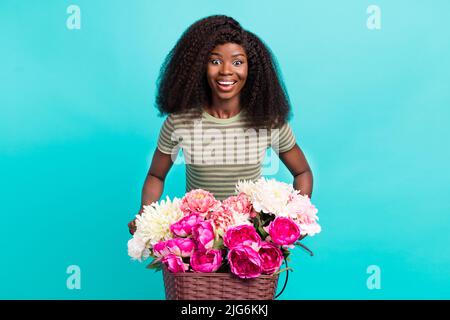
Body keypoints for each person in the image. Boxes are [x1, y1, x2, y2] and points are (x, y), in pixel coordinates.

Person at [128, 15, 313, 235]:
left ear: (251, 68)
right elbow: (156, 176)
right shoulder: (180, 122)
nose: (226, 70)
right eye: (215, 61)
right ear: (200, 66)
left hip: (249, 241)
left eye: (237, 62)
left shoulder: (268, 121)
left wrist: (295, 217)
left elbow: (302, 172)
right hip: (197, 243)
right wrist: (144, 214)